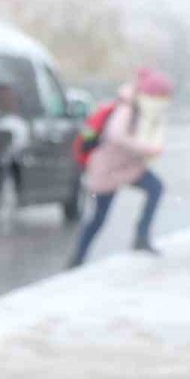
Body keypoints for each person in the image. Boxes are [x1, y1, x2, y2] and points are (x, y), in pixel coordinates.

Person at [69, 68, 174, 268]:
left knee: (156, 188)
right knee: (98, 218)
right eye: (159, 95)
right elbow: (116, 135)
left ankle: (141, 237)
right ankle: (77, 259)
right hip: (107, 169)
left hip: (128, 166)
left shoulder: (143, 108)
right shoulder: (126, 107)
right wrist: (146, 148)